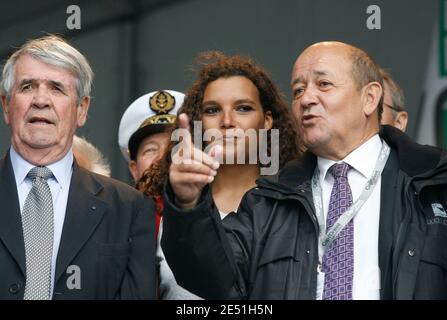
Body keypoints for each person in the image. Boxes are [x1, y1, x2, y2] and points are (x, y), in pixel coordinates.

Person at [161, 42, 447, 300]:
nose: (306, 99)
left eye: (323, 84)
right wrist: (188, 204)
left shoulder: (435, 182)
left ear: (370, 97)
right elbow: (214, 280)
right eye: (298, 90)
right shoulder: (269, 200)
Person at [0, 35, 155, 300]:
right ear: (6, 105)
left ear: (82, 109)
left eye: (56, 88)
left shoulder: (129, 207)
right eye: (27, 87)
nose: (41, 100)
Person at [159, 51, 301, 299]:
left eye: (243, 108)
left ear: (267, 121)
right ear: (198, 122)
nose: (227, 121)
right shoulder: (167, 209)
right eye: (212, 110)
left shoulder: (299, 202)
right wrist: (186, 203)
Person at [118, 90, 184, 235]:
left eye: (173, 147)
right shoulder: (117, 221)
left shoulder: (213, 211)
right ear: (134, 169)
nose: (162, 157)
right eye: (150, 150)